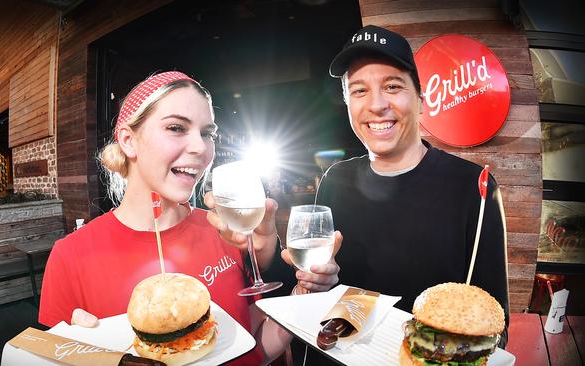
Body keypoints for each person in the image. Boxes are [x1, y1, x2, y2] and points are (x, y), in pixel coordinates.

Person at [38, 71, 340, 365]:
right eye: (176, 128)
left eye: (207, 133)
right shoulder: (71, 256)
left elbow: (253, 347)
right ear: (128, 141)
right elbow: (41, 354)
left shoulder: (224, 230)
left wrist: (303, 293)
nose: (201, 148)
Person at [314, 24, 509, 353]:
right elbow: (316, 298)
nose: (377, 104)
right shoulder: (335, 180)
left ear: (420, 99)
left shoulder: (474, 187)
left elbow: (494, 323)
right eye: (359, 91)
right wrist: (314, 284)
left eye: (392, 86)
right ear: (348, 104)